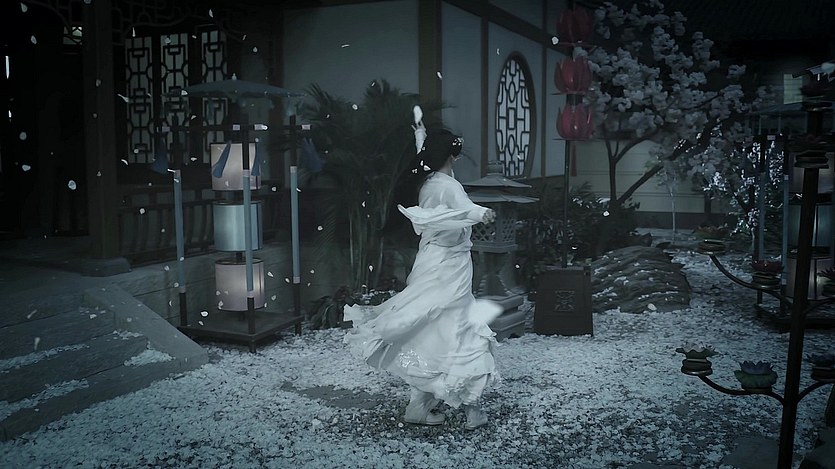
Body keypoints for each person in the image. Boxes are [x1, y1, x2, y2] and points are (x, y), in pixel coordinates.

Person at [343, 115, 501, 430]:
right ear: (452, 156)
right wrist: (483, 213)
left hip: (429, 260)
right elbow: (464, 207)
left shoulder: (427, 181)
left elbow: (434, 171)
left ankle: (420, 407)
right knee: (458, 329)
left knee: (430, 330)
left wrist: (421, 137)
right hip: (451, 266)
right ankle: (472, 409)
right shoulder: (450, 186)